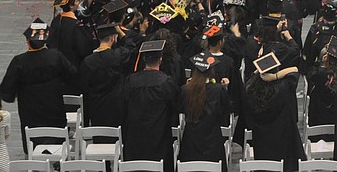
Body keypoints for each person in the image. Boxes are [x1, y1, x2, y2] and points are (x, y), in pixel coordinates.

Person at [0, 18, 77, 153]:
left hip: (31, 115)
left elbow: (7, 91)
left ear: (28, 41)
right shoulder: (56, 56)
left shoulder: (19, 62)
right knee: (57, 143)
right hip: (55, 112)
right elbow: (73, 76)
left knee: (33, 146)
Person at [122, 40, 179, 171]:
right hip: (158, 136)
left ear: (144, 59)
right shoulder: (166, 82)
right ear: (160, 59)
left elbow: (124, 105)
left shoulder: (131, 80)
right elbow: (174, 107)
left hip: (135, 135)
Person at [245, 56, 305, 172]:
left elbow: (250, 78)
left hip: (262, 141)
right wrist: (275, 77)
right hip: (282, 138)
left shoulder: (251, 90)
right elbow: (295, 70)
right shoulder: (284, 88)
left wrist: (258, 71)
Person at [179, 52, 232, 170]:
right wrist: (225, 89)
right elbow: (225, 115)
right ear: (211, 71)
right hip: (212, 142)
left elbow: (181, 110)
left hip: (190, 142)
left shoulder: (185, 90)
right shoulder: (218, 90)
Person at [78, 22, 132, 128]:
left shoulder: (88, 61)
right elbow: (131, 47)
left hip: (97, 108)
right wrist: (121, 33)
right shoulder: (118, 55)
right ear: (113, 38)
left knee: (100, 140)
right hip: (117, 107)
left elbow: (84, 87)